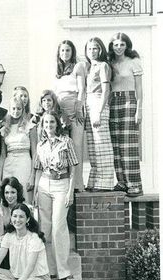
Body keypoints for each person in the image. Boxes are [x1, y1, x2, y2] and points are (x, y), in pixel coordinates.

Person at [33, 110, 77, 280]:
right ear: (42, 126)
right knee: (45, 228)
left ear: (57, 125)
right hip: (44, 184)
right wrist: (36, 191)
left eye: (52, 122)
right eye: (46, 123)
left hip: (62, 185)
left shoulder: (66, 142)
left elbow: (73, 168)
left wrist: (70, 192)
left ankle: (64, 271)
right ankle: (49, 269)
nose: (49, 126)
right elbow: (38, 169)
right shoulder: (40, 145)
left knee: (59, 226)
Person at [108, 32, 144, 197]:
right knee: (116, 145)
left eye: (122, 44)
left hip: (129, 102)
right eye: (116, 45)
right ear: (112, 46)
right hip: (113, 102)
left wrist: (139, 109)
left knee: (128, 145)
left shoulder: (134, 62)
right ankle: (122, 182)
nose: (119, 48)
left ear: (127, 46)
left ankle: (134, 185)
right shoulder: (110, 63)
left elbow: (139, 89)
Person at [55, 40, 86, 192]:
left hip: (74, 107)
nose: (65, 53)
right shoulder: (59, 69)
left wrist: (79, 108)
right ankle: (67, 183)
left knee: (76, 146)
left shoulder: (78, 66)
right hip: (61, 109)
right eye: (62, 51)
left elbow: (81, 89)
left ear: (72, 52)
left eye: (68, 50)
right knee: (64, 146)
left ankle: (78, 184)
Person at [84, 37, 114, 191]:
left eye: (95, 48)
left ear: (100, 49)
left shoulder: (103, 66)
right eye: (89, 49)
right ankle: (95, 180)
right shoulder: (89, 67)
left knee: (102, 144)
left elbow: (106, 91)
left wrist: (99, 112)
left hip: (98, 105)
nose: (92, 51)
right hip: (89, 104)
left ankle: (105, 183)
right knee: (93, 145)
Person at [0, 97, 36, 203]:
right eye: (13, 108)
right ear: (9, 110)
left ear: (23, 110)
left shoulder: (30, 127)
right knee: (8, 196)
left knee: (24, 196)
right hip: (8, 165)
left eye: (19, 108)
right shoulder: (4, 129)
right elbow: (2, 155)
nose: (16, 111)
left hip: (24, 164)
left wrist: (32, 176)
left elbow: (35, 153)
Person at [0, 176, 26, 270]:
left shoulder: (24, 208)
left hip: (20, 243)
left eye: (13, 192)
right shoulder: (1, 208)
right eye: (6, 192)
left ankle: (12, 272)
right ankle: (0, 272)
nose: (9, 196)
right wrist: (3, 240)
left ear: (18, 193)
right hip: (5, 243)